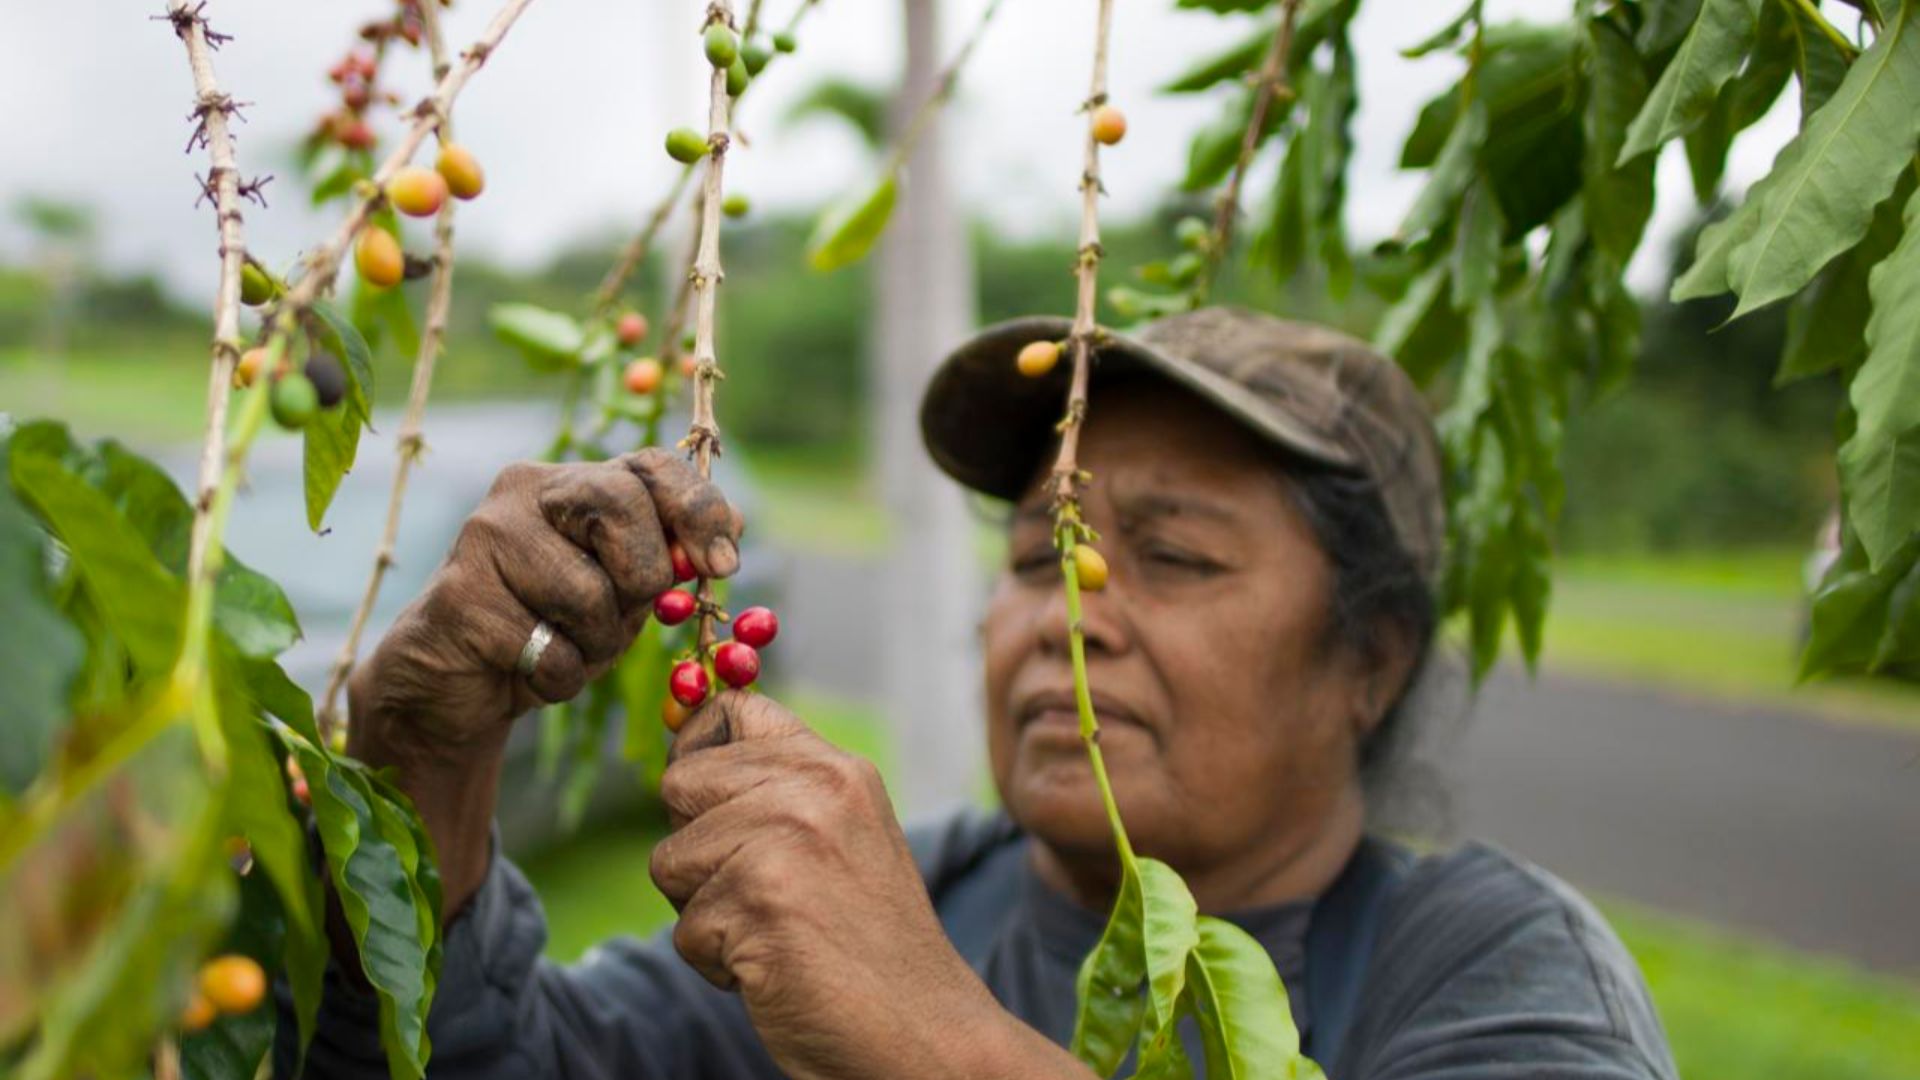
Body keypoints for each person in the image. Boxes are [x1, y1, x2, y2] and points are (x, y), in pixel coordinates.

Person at [282, 307, 1678, 1079]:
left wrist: (925, 1032)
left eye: (1178, 557)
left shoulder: (1489, 974)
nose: (1068, 621)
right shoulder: (915, 894)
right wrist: (416, 769)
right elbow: (470, 1065)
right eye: (1034, 557)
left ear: (1367, 664)